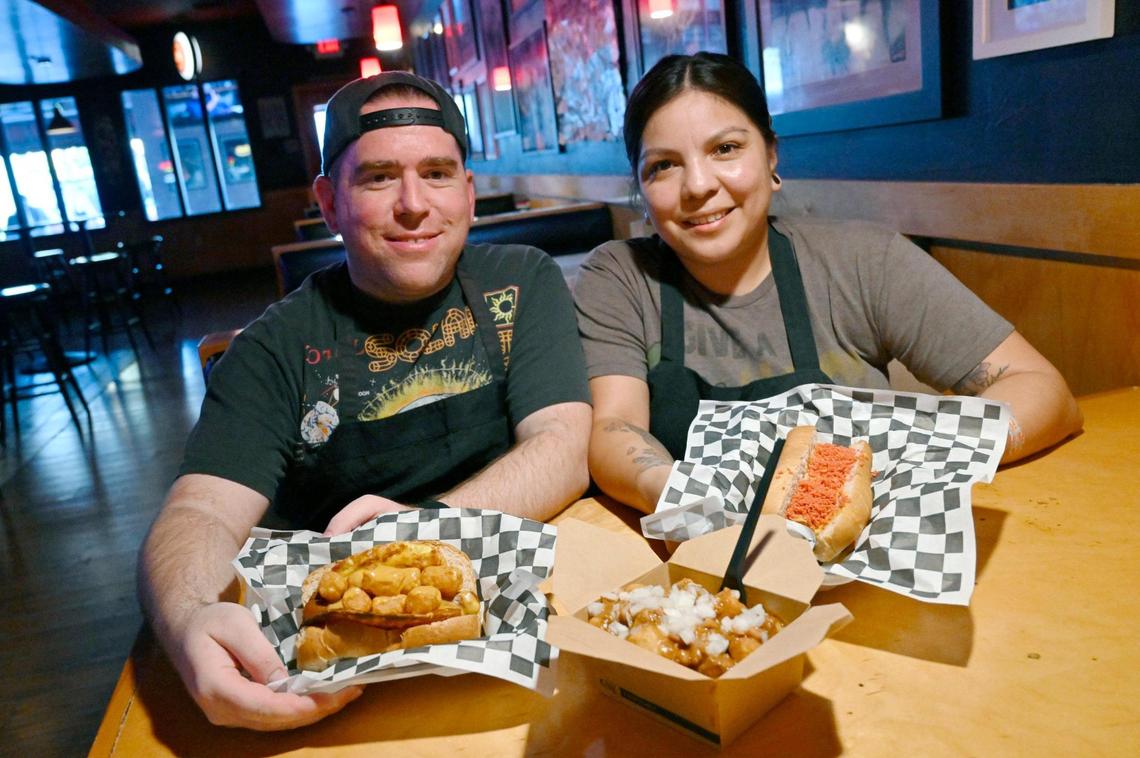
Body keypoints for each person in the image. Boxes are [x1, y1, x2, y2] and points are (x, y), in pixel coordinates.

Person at [138, 71, 591, 730]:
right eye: (378, 178)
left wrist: (416, 536)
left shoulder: (521, 282)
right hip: (331, 693)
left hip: (519, 648)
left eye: (437, 173)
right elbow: (199, 510)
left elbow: (563, 446)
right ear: (328, 202)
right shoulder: (274, 346)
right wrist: (187, 625)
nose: (414, 203)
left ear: (468, 193)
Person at [574, 52, 1082, 514]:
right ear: (640, 187)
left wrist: (904, 462)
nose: (700, 185)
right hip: (698, 567)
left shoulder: (863, 261)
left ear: (771, 156)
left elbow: (1044, 392)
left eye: (725, 148)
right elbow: (616, 427)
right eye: (663, 166)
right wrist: (696, 504)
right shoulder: (620, 277)